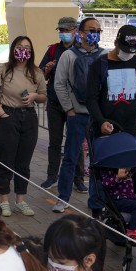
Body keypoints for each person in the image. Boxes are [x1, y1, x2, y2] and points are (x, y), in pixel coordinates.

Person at [0, 35, 46, 217]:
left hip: (28, 117)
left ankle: (21, 200)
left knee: (23, 162)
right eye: (20, 46)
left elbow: (44, 96)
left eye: (27, 47)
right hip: (8, 116)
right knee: (6, 160)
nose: (23, 50)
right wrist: (2, 114)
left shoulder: (36, 72)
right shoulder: (3, 69)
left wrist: (35, 96)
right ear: (13, 49)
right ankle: (4, 200)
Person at [51, 17, 103, 213]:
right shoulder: (69, 56)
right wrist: (69, 109)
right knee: (70, 157)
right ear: (80, 33)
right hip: (78, 116)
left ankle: (96, 199)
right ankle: (63, 198)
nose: (94, 33)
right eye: (91, 29)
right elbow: (59, 84)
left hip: (98, 118)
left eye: (98, 30)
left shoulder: (104, 55)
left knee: (99, 159)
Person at [86, 24, 136, 139]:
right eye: (125, 50)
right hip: (105, 130)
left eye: (132, 51)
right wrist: (101, 121)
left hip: (131, 130)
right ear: (115, 43)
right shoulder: (99, 65)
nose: (128, 54)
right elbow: (91, 99)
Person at [40, 17, 84, 191]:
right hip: (55, 102)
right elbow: (41, 75)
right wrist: (47, 70)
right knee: (54, 141)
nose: (64, 33)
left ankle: (78, 179)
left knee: (76, 141)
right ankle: (52, 176)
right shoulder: (52, 50)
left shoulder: (82, 51)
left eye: (67, 30)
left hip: (75, 105)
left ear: (75, 30)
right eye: (61, 30)